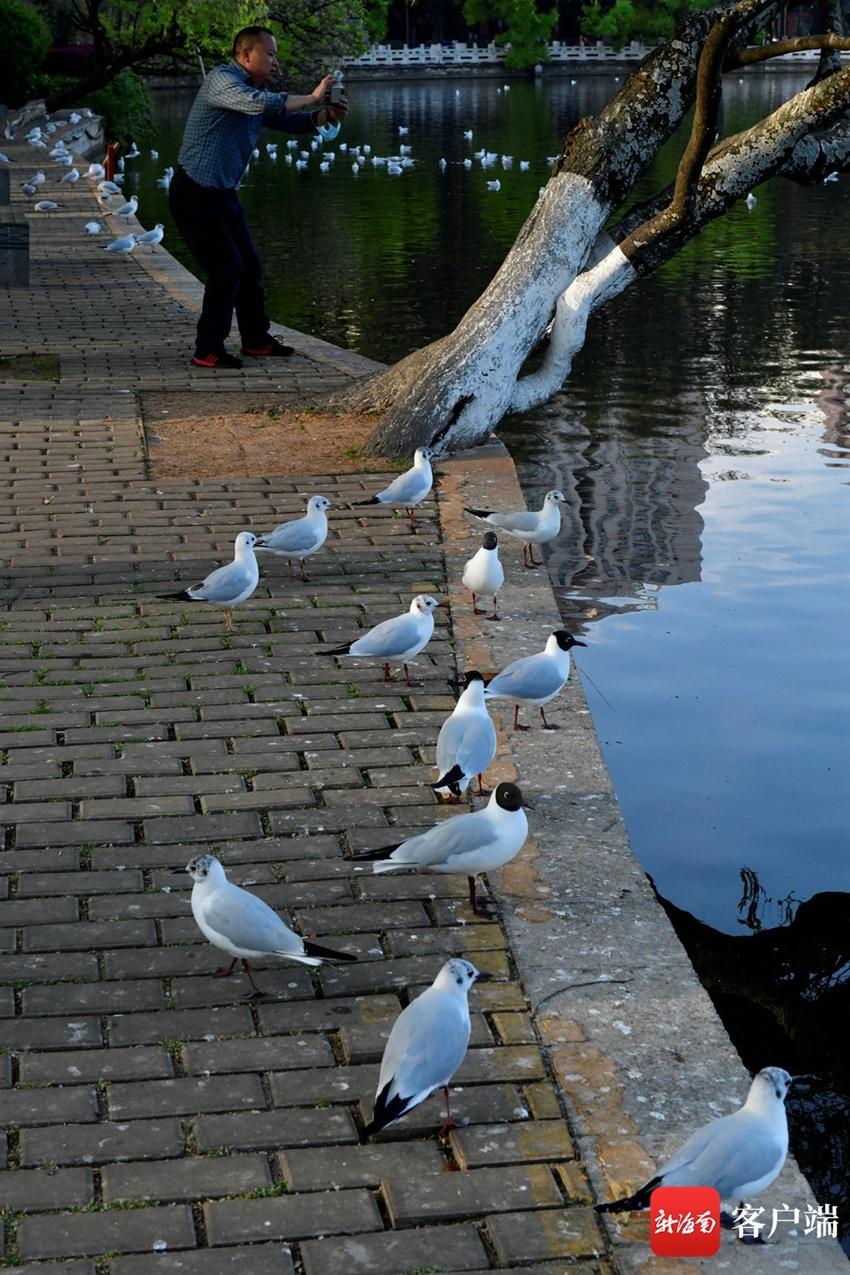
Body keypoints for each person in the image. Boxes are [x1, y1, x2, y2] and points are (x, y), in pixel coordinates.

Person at [169, 26, 349, 369]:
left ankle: (256, 340)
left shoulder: (255, 90)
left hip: (221, 193)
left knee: (249, 266)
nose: (275, 61)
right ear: (245, 55)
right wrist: (312, 97)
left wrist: (327, 114)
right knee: (227, 269)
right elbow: (260, 104)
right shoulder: (222, 82)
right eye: (269, 53)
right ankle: (207, 348)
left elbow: (287, 119)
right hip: (193, 192)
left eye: (275, 54)